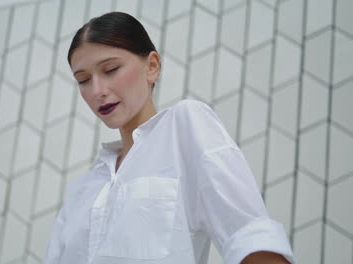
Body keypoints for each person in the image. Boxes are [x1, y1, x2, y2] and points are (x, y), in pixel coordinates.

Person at [44, 11, 295, 264]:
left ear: (152, 66)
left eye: (110, 69)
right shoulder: (83, 190)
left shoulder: (184, 126)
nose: (97, 91)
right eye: (84, 80)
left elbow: (248, 234)